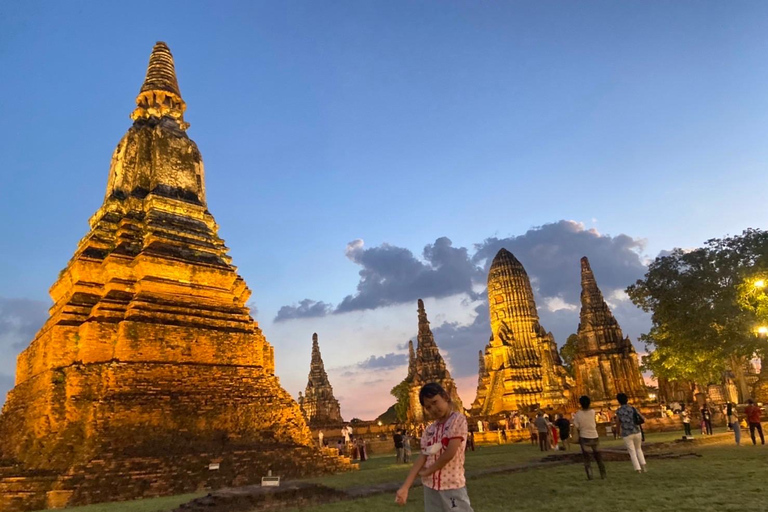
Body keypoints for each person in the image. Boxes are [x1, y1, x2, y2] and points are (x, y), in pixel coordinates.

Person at [395, 383, 473, 511]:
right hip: (430, 486)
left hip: (451, 485)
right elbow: (423, 456)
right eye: (428, 407)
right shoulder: (430, 430)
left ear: (445, 397)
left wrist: (429, 471)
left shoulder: (457, 420)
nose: (433, 409)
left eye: (435, 402)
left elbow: (450, 453)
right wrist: (405, 487)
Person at [572, 395, 606, 480]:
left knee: (587, 458)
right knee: (598, 457)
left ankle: (590, 476)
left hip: (584, 437)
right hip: (594, 436)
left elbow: (575, 427)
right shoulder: (593, 412)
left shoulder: (578, 414)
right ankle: (603, 475)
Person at [616, 393, 647, 473]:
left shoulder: (619, 411)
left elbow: (618, 423)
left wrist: (617, 432)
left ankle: (638, 469)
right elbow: (642, 417)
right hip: (636, 431)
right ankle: (644, 466)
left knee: (632, 452)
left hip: (626, 433)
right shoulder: (632, 408)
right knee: (639, 449)